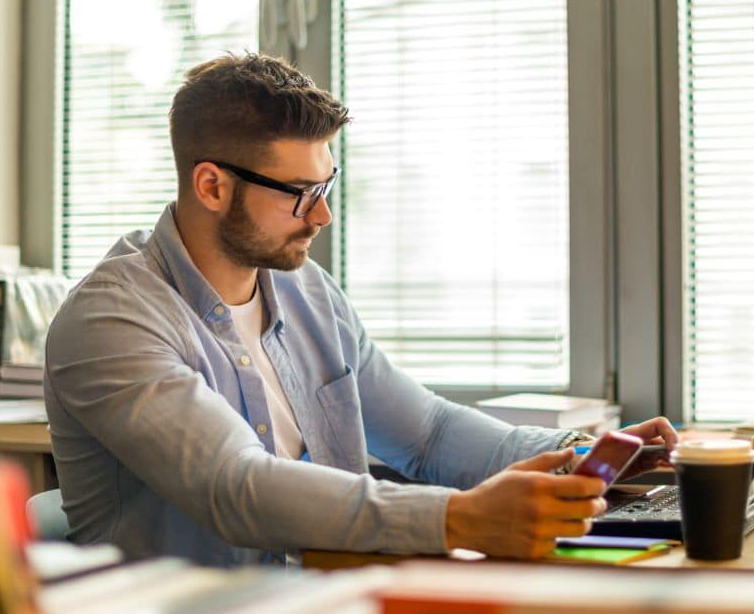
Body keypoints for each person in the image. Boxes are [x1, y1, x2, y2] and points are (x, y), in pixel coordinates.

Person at [45, 53, 677, 566]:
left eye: (325, 187)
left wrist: (585, 451)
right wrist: (459, 518)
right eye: (299, 194)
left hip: (324, 611)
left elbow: (426, 434)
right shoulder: (111, 320)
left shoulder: (305, 290)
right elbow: (235, 488)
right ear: (212, 185)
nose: (321, 215)